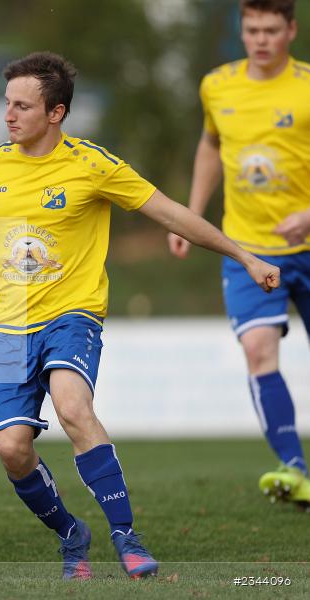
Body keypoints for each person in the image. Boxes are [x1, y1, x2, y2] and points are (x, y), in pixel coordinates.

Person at [0, 51, 280, 580]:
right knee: (12, 448)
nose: (9, 115)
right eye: (7, 104)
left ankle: (126, 536)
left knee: (73, 405)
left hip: (72, 314)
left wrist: (245, 256)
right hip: (7, 323)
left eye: (22, 106)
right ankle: (72, 533)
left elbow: (172, 213)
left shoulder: (94, 165)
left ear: (56, 113)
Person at [168, 0, 310, 505]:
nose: (261, 39)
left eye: (271, 29)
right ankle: (293, 468)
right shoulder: (218, 85)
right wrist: (192, 214)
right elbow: (211, 146)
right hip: (247, 248)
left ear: (291, 30)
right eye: (252, 29)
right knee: (258, 349)